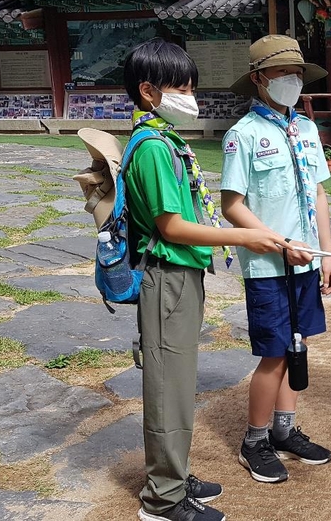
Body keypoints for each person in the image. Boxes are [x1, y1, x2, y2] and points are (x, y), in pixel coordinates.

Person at [123, 38, 300, 521]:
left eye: (190, 87)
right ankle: (163, 498)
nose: (190, 97)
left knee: (177, 382)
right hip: (168, 276)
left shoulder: (165, 140)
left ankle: (173, 473)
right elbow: (172, 227)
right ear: (148, 92)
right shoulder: (155, 148)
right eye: (179, 88)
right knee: (169, 387)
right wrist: (243, 237)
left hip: (183, 275)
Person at [221, 35, 331, 485]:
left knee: (298, 345)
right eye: (281, 74)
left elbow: (319, 193)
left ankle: (285, 430)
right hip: (269, 266)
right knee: (273, 354)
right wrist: (280, 241)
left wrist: (326, 254)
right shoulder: (243, 136)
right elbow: (233, 204)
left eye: (297, 74)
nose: (291, 82)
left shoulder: (307, 129)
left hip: (309, 260)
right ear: (257, 79)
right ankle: (255, 441)